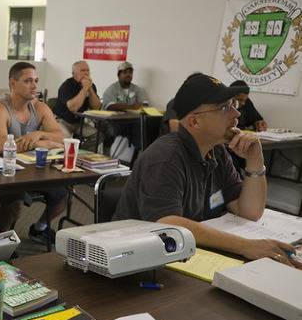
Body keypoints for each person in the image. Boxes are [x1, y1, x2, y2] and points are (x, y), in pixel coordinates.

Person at [113, 73, 297, 266]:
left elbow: (249, 211)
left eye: (234, 104)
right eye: (225, 107)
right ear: (194, 122)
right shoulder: (165, 158)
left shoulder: (216, 151)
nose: (237, 114)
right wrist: (245, 245)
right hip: (139, 260)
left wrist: (255, 161)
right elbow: (168, 223)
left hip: (186, 255)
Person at [0, 62, 66, 242]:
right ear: (13, 83)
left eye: (36, 80)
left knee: (62, 193)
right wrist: (39, 144)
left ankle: (39, 227)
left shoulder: (39, 107)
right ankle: (0, 239)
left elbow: (61, 137)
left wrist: (40, 134)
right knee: (15, 199)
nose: (34, 85)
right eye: (28, 81)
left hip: (30, 171)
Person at [53, 61, 101, 125]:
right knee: (63, 135)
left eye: (88, 70)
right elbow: (73, 108)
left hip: (79, 123)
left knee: (96, 134)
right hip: (62, 121)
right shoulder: (67, 85)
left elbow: (96, 107)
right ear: (74, 74)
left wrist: (90, 89)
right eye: (83, 70)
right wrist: (85, 88)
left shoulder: (91, 86)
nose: (86, 73)